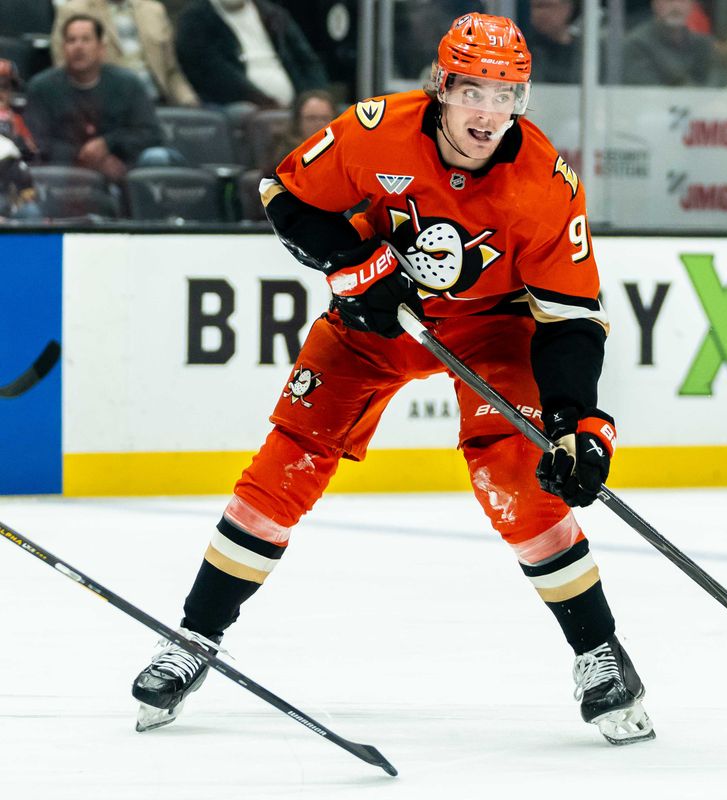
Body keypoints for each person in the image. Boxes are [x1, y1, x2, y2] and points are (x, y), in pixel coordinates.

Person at [130, 12, 655, 747]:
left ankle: (600, 652)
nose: (488, 113)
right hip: (378, 321)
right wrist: (356, 267)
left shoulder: (545, 183)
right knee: (287, 463)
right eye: (473, 92)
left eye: (506, 95)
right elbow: (285, 196)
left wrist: (577, 423)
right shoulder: (375, 131)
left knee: (517, 479)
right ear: (442, 87)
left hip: (492, 327)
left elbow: (569, 319)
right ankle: (194, 636)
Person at [24, 14, 163, 182]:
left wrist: (107, 144)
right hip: (64, 173)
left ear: (101, 48)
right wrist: (86, 158)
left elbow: (151, 133)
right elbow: (36, 141)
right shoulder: (41, 87)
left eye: (86, 40)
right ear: (63, 48)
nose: (78, 47)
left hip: (124, 166)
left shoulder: (128, 83)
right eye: (71, 40)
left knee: (159, 157)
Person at [174, 0, 328, 108]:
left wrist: (313, 97)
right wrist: (264, 102)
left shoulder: (273, 14)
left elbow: (307, 60)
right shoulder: (195, 19)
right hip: (232, 107)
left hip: (293, 106)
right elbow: (213, 73)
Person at [50, 0, 199, 106]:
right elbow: (64, 69)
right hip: (105, 109)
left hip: (157, 103)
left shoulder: (153, 10)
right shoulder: (74, 11)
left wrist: (190, 102)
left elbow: (171, 72)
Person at [622, 0, 716, 86]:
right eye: (668, 1)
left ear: (692, 5)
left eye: (682, 1)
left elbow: (715, 88)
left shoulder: (704, 45)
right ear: (655, 4)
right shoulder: (636, 44)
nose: (675, 7)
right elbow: (646, 89)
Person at [267, 88, 337, 170]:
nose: (319, 124)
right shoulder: (285, 155)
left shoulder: (342, 152)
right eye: (311, 118)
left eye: (325, 118)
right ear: (298, 121)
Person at [524, 0, 583, 84]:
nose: (542, 13)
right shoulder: (521, 49)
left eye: (548, 6)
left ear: (568, 8)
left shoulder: (586, 52)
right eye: (537, 6)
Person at [0, 59, 37, 162]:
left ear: (12, 90)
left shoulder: (18, 118)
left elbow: (31, 149)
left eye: (4, 87)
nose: (0, 92)